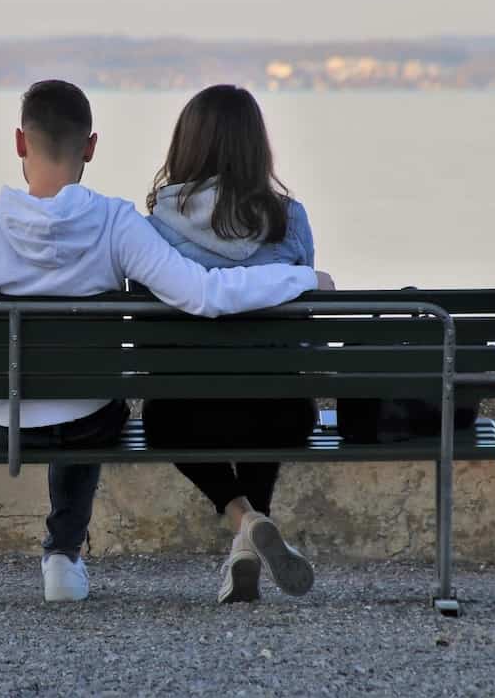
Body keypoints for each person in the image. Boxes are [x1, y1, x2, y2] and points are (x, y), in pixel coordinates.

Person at [0, 80, 326, 603]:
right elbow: (204, 294)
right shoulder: (120, 224)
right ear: (90, 146)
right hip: (106, 419)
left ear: (19, 142)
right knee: (90, 402)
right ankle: (66, 556)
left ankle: (234, 526)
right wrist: (303, 279)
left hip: (10, 421)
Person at [142, 84, 324, 604]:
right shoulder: (291, 220)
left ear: (186, 145)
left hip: (183, 417)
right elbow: (305, 327)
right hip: (283, 415)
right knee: (271, 389)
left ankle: (246, 523)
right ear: (256, 147)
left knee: (163, 420)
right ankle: (249, 535)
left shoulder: (155, 224)